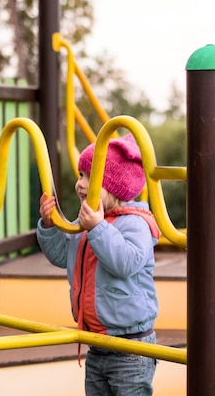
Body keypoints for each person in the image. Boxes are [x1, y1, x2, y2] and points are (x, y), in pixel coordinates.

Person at [36, 134, 160, 396]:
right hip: (96, 342)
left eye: (88, 177)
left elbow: (125, 263)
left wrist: (98, 228)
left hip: (131, 347)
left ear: (113, 186)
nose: (79, 184)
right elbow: (62, 256)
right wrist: (49, 225)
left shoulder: (135, 223)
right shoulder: (90, 223)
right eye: (80, 174)